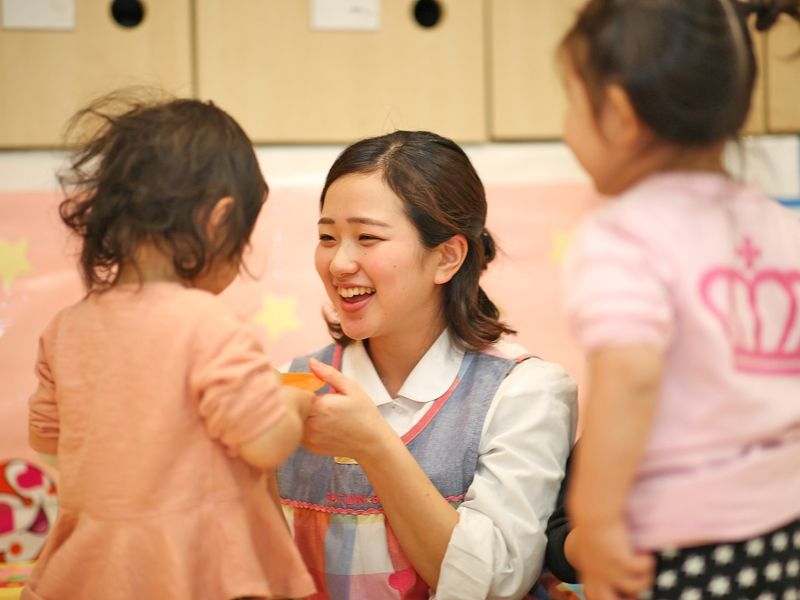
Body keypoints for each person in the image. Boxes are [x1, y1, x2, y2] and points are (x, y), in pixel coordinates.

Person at [24, 91, 316, 600]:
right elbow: (267, 443)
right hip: (197, 569)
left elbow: (48, 444)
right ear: (218, 221)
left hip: (90, 567)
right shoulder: (210, 325)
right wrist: (292, 401)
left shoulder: (65, 329)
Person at [558, 0, 800, 598]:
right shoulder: (780, 226)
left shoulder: (624, 236)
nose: (565, 127)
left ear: (619, 115)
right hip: (785, 529)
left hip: (681, 544)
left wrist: (597, 517)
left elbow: (631, 374)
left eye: (571, 100)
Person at [276, 130, 578, 599]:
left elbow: (496, 583)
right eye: (327, 237)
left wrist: (375, 446)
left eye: (367, 237)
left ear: (446, 257)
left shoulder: (525, 392)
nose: (338, 263)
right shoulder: (290, 384)